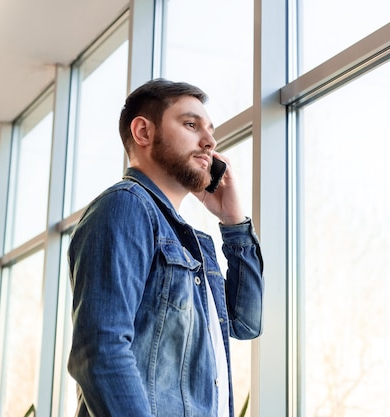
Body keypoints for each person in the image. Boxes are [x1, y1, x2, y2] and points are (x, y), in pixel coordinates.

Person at [67, 78, 264, 417]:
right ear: (143, 132)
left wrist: (234, 222)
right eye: (191, 124)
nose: (210, 141)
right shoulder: (125, 207)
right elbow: (100, 350)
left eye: (211, 130)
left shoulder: (187, 240)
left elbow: (245, 323)